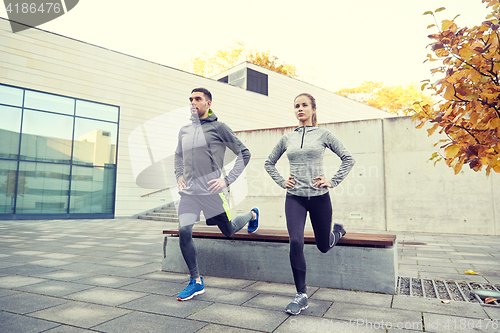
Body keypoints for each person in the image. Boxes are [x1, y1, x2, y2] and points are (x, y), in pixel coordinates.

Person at [264, 93, 355, 315]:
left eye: (304, 105)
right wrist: (282, 181)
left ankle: (337, 232)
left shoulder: (324, 134)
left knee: (323, 246)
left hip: (319, 198)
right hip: (294, 197)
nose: (300, 109)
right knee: (296, 241)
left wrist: (331, 181)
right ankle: (301, 295)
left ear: (313, 109)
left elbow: (348, 158)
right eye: (296, 106)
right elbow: (269, 163)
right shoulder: (287, 138)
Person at [174, 87, 259, 301]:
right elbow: (177, 156)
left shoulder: (219, 128)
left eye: (198, 99)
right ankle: (196, 280)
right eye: (190, 99)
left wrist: (226, 179)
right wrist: (178, 175)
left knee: (229, 230)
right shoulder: (184, 130)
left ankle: (252, 214)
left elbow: (244, 153)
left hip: (212, 192)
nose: (193, 102)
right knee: (184, 231)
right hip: (189, 194)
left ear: (208, 103)